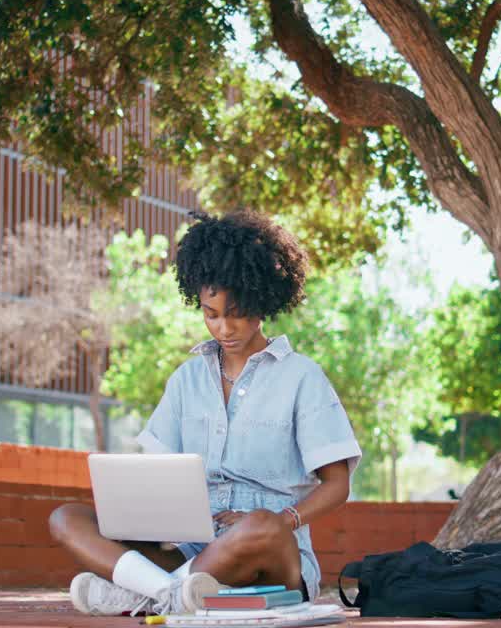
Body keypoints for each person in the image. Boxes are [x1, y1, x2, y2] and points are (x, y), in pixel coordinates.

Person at [49, 209, 362, 616]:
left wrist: (286, 518)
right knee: (66, 518)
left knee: (261, 524)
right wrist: (152, 522)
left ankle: (143, 594)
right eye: (211, 314)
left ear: (261, 301)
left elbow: (337, 485)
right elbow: (158, 475)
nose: (224, 328)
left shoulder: (301, 377)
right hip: (191, 547)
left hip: (268, 553)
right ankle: (171, 594)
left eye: (235, 312)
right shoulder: (186, 380)